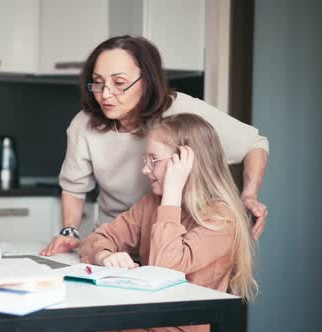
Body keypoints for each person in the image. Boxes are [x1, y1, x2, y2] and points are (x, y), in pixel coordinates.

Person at [40, 35, 269, 256]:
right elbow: (73, 187)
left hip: (178, 244)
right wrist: (69, 231)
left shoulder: (182, 112)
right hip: (117, 239)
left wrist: (249, 195)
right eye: (98, 83)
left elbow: (253, 144)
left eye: (119, 83)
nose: (105, 94)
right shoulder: (84, 125)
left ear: (147, 81)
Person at [79, 113, 257, 332]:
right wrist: (104, 256)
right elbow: (94, 240)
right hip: (140, 320)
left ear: (184, 163)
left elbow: (165, 270)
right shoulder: (150, 205)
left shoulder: (222, 219)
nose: (145, 169)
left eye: (153, 160)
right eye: (145, 160)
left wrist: (172, 193)